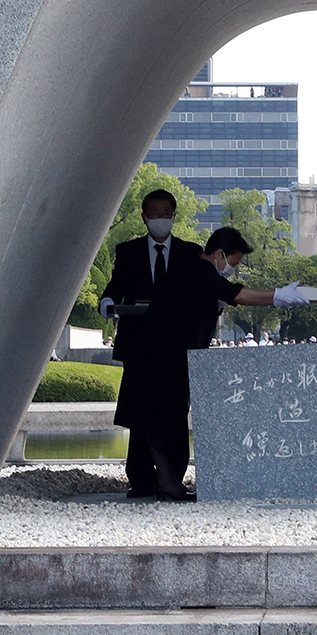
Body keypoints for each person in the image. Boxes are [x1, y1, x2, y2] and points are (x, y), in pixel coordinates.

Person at [107, 217, 307, 501]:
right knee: (162, 422)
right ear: (220, 254)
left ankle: (168, 482)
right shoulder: (198, 269)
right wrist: (278, 296)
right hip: (163, 357)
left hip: (166, 355)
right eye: (233, 262)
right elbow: (236, 293)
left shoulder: (192, 268)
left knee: (164, 421)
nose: (233, 269)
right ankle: (167, 484)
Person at [99, 190, 202, 500]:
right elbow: (116, 286)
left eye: (166, 213)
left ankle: (173, 479)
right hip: (141, 349)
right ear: (144, 216)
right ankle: (142, 480)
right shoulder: (127, 251)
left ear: (174, 215)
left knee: (174, 414)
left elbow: (202, 290)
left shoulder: (190, 252)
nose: (160, 218)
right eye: (154, 213)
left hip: (176, 349)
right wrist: (107, 300)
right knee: (141, 414)